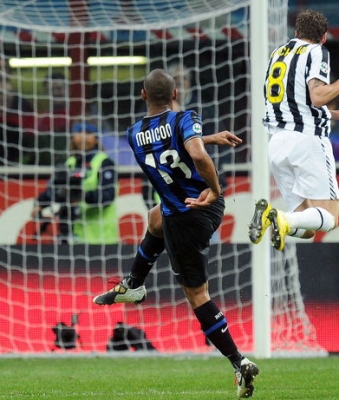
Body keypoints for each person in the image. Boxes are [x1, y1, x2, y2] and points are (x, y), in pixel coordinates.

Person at [93, 69, 258, 398]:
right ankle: (134, 284)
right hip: (200, 206)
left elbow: (184, 150)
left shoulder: (133, 133)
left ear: (143, 95)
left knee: (198, 297)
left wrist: (206, 163)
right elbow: (192, 150)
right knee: (154, 218)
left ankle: (239, 362)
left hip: (188, 216)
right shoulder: (185, 119)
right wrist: (214, 184)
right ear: (174, 94)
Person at [249, 9, 339, 251]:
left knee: (307, 228)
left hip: (277, 145)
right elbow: (318, 96)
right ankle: (282, 217)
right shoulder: (317, 51)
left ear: (296, 32)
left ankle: (272, 215)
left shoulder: (277, 54)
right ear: (323, 37)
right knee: (331, 218)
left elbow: (300, 103)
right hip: (307, 142)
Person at [31, 122, 118, 244]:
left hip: (99, 238)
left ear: (96, 139)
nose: (83, 137)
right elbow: (55, 188)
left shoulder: (104, 162)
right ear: (72, 137)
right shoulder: (70, 163)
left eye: (88, 133)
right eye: (79, 132)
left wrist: (83, 195)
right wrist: (40, 203)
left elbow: (108, 195)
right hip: (71, 234)